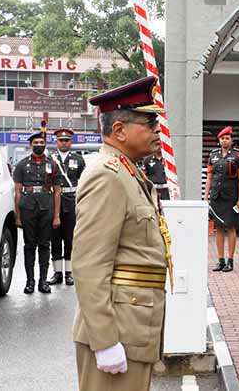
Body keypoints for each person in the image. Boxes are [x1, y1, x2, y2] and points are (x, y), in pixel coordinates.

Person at [72, 76, 169, 391]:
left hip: (135, 327)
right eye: (149, 122)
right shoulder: (107, 176)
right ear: (119, 130)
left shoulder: (129, 171)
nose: (157, 129)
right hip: (118, 331)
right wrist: (104, 340)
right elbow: (89, 264)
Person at [13, 131, 61, 294]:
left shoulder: (52, 165)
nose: (39, 145)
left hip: (47, 208)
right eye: (36, 143)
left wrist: (56, 215)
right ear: (30, 145)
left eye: (41, 143)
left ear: (45, 145)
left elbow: (57, 192)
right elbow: (18, 192)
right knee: (29, 246)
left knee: (45, 245)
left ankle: (43, 281)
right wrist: (18, 216)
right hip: (28, 209)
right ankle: (30, 282)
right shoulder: (22, 165)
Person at [205, 126, 239, 273]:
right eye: (222, 138)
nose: (225, 140)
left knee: (231, 227)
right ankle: (221, 260)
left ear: (231, 140)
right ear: (219, 140)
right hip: (216, 196)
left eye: (227, 138)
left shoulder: (237, 156)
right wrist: (206, 196)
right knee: (219, 228)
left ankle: (231, 260)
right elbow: (209, 177)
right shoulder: (213, 155)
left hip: (231, 197)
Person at [48, 128, 86, 286]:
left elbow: (84, 181)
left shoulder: (78, 159)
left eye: (67, 140)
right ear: (55, 142)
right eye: (61, 140)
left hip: (71, 200)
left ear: (71, 142)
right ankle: (57, 272)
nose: (64, 143)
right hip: (53, 201)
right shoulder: (49, 158)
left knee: (70, 238)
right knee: (55, 238)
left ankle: (69, 272)